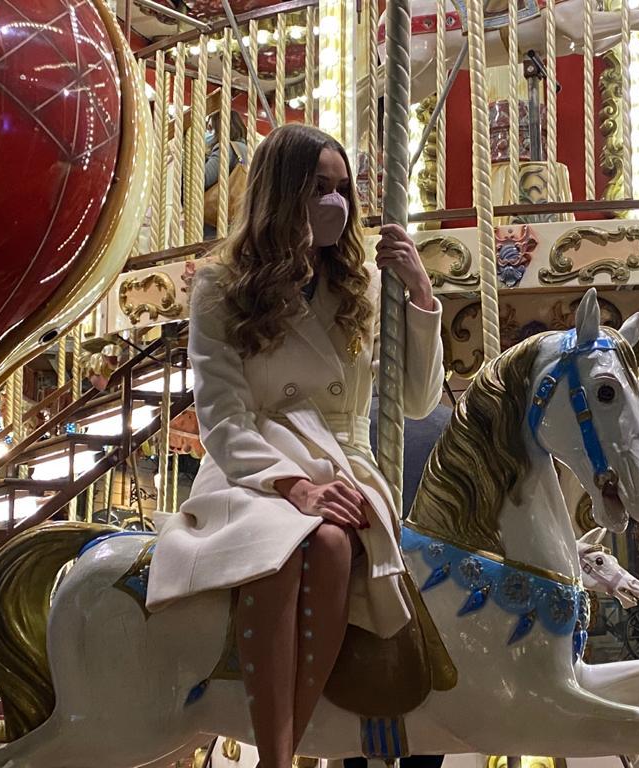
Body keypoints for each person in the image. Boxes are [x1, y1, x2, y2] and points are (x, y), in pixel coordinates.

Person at [146, 123, 445, 768]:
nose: (336, 204)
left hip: (344, 456)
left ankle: (281, 754)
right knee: (278, 549)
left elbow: (417, 401)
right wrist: (295, 484)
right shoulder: (221, 287)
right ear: (284, 196)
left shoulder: (362, 282)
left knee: (336, 541)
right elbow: (223, 418)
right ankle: (278, 756)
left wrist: (421, 295)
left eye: (343, 190)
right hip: (256, 465)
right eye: (319, 189)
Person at [203, 110, 248, 239]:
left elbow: (204, 178)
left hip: (216, 222)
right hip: (237, 217)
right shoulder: (248, 149)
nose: (208, 133)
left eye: (211, 128)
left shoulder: (225, 148)